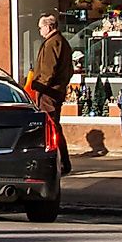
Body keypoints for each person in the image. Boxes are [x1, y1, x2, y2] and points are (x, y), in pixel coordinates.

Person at [24, 13, 76, 176]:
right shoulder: (62, 42)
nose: (39, 31)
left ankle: (59, 162)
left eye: (41, 27)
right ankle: (61, 161)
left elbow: (47, 72)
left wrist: (38, 89)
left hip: (48, 94)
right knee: (53, 127)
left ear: (49, 27)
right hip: (55, 92)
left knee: (50, 127)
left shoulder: (52, 43)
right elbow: (69, 71)